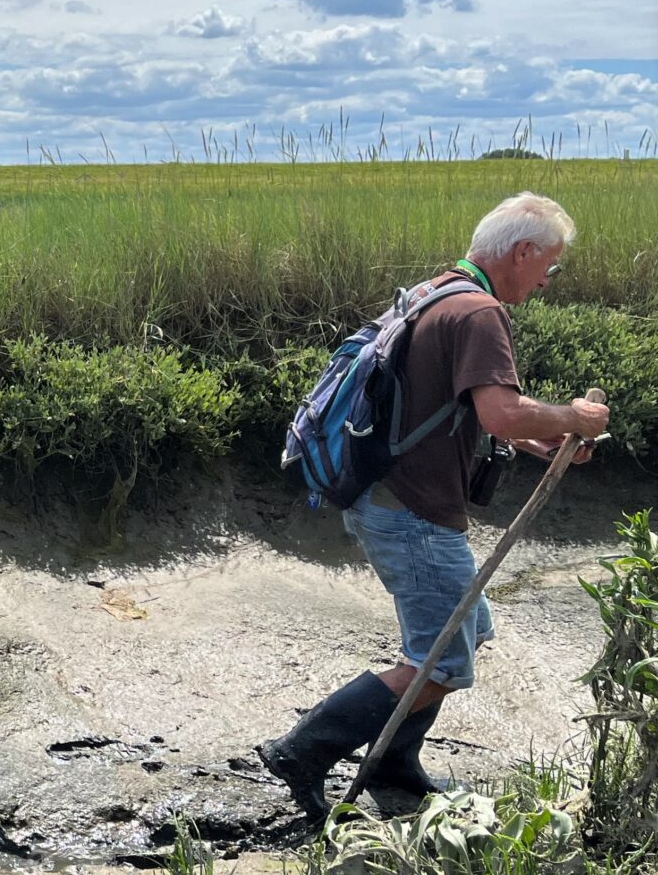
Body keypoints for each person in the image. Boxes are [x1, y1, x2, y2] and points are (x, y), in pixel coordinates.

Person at [258, 192, 611, 819]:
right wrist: (574, 416)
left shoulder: (436, 293)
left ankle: (394, 762)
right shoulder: (479, 314)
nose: (547, 281)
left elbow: (467, 412)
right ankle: (302, 749)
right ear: (522, 251)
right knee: (441, 659)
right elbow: (501, 410)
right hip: (410, 510)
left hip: (389, 496)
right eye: (549, 266)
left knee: (466, 631)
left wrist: (545, 437)